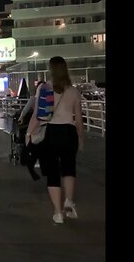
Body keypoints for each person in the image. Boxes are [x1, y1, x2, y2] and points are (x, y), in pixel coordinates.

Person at [26, 56, 84, 224]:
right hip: (69, 132)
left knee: (52, 172)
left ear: (50, 70)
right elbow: (78, 120)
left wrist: (29, 134)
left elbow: (37, 115)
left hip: (50, 133)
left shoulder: (44, 88)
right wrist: (81, 139)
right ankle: (69, 201)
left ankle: (58, 213)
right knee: (68, 168)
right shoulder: (73, 91)